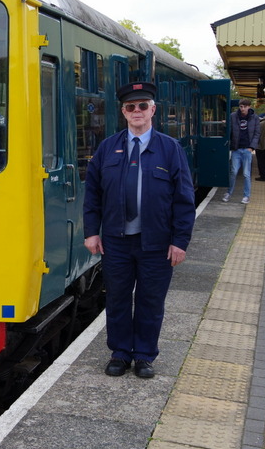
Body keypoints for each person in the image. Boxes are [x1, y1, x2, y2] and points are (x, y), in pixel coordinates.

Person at [83, 81, 195, 379]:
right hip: (116, 242)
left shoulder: (170, 150)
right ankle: (120, 353)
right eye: (130, 107)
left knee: (150, 301)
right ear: (123, 112)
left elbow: (184, 200)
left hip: (156, 244)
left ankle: (144, 355)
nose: (137, 111)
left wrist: (180, 242)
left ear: (153, 110)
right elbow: (92, 194)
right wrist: (91, 232)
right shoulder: (108, 148)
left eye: (142, 106)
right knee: (117, 298)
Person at [223, 99, 260, 204]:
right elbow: (229, 130)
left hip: (247, 149)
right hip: (236, 149)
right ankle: (228, 193)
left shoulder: (255, 118)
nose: (242, 109)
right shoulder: (233, 116)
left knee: (246, 174)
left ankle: (246, 196)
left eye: (244, 106)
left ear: (249, 107)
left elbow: (257, 133)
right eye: (240, 106)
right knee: (233, 172)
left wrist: (252, 147)